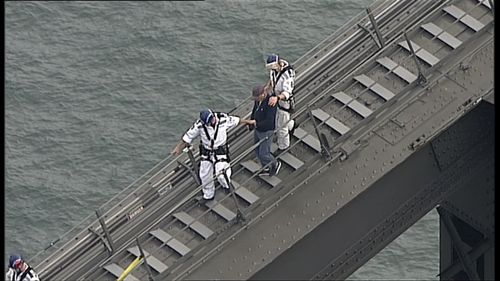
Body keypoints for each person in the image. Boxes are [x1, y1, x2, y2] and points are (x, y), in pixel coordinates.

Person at [171, 109, 254, 200]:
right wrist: (178, 148)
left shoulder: (223, 119)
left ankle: (227, 185)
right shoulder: (199, 126)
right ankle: (208, 195)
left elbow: (236, 120)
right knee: (204, 175)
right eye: (209, 121)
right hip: (207, 153)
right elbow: (188, 137)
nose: (212, 121)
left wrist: (249, 122)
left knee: (221, 174)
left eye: (212, 118)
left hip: (220, 153)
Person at [265, 54, 298, 153]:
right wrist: (267, 87)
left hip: (284, 103)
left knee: (281, 127)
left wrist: (277, 98)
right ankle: (291, 125)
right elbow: (273, 79)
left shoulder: (288, 74)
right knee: (281, 120)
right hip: (277, 100)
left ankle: (284, 146)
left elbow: (287, 92)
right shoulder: (274, 71)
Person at [250, 85, 282, 176]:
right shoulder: (258, 101)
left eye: (257, 97)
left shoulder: (270, 103)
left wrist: (256, 123)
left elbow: (269, 121)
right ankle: (266, 166)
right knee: (257, 149)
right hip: (258, 129)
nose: (255, 99)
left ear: (263, 94)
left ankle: (275, 163)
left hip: (266, 131)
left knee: (264, 153)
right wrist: (251, 122)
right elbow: (254, 111)